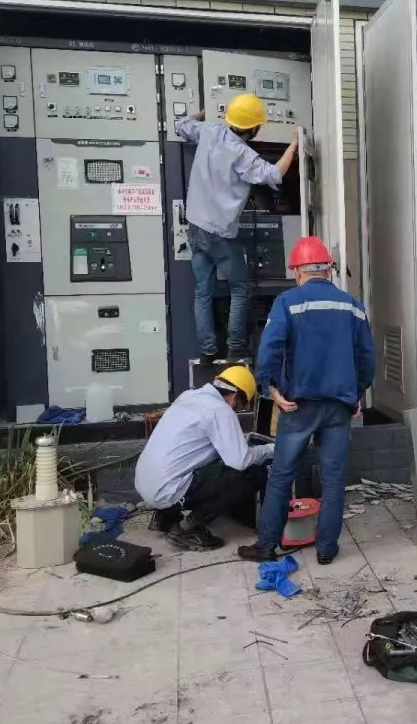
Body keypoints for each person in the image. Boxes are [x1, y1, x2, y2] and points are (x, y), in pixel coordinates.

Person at [238, 237, 375, 565]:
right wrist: (356, 393)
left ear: (298, 271)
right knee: (334, 480)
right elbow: (367, 358)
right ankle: (327, 550)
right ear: (328, 269)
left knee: (282, 475)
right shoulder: (352, 306)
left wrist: (270, 389)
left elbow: (270, 348)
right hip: (338, 406)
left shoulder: (287, 302)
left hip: (298, 406)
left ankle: (266, 546)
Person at [175, 95, 298, 364]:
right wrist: (294, 144)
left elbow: (180, 124)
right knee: (240, 288)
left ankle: (208, 351)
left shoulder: (210, 130)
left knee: (202, 291)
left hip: (195, 226)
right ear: (253, 128)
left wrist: (203, 111)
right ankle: (236, 349)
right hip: (219, 233)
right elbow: (274, 174)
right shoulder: (243, 154)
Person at [135, 365, 276, 551]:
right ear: (235, 397)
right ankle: (187, 529)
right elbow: (240, 460)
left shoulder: (188, 396)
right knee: (252, 472)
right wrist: (270, 449)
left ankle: (165, 516)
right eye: (241, 405)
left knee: (190, 465)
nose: (237, 410)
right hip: (168, 489)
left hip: (146, 483)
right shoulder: (221, 410)